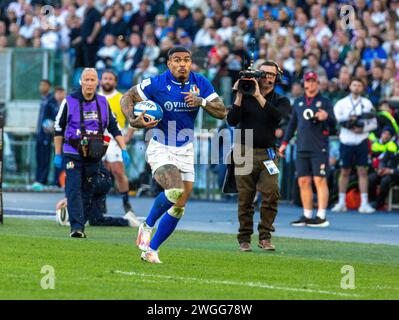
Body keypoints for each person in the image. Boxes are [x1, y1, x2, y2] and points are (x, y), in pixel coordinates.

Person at [120, 46, 226, 263]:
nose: (182, 64)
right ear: (169, 64)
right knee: (175, 190)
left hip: (186, 148)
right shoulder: (156, 83)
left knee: (179, 207)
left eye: (186, 60)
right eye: (177, 60)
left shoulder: (201, 82)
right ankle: (147, 224)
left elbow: (222, 111)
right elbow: (127, 97)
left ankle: (151, 250)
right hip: (160, 145)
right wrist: (132, 119)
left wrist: (202, 102)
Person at [53, 68, 133, 238]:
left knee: (91, 188)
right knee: (73, 188)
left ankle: (80, 215)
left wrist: (123, 149)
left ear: (97, 83)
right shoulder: (69, 101)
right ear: (81, 82)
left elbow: (114, 127)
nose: (89, 83)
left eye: (92, 80)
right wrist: (58, 153)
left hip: (94, 154)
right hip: (72, 152)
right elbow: (58, 128)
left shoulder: (103, 102)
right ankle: (77, 228)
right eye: (86, 80)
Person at [226, 61, 291, 252]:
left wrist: (257, 96)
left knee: (271, 193)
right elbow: (232, 120)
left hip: (267, 152)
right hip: (243, 150)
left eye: (271, 74)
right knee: (245, 198)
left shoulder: (281, 100)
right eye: (263, 73)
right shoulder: (245, 96)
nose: (267, 77)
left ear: (276, 77)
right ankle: (244, 238)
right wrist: (239, 95)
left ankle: (265, 236)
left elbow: (277, 117)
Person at [280, 72, 336, 227]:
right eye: (308, 81)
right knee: (303, 181)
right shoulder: (298, 102)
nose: (310, 84)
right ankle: (307, 214)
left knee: (319, 179)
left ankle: (321, 216)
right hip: (302, 146)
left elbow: (334, 124)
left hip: (319, 147)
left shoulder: (325, 102)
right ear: (304, 84)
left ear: (318, 84)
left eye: (313, 81)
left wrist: (326, 117)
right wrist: (284, 143)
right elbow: (292, 124)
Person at [99, 69, 139, 225]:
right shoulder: (95, 97)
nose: (107, 81)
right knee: (100, 173)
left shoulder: (121, 98)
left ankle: (126, 203)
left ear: (115, 82)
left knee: (117, 171)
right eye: (105, 78)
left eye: (110, 79)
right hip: (97, 138)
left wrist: (128, 135)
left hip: (115, 138)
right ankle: (101, 203)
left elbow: (132, 118)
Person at [331, 77, 378, 214]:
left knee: (362, 171)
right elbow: (337, 119)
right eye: (354, 85)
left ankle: (364, 203)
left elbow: (374, 122)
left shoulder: (367, 103)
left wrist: (362, 128)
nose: (356, 87)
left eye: (359, 85)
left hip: (361, 140)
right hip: (346, 140)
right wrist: (348, 122)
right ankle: (341, 202)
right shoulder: (341, 103)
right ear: (350, 86)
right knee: (344, 171)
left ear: (362, 88)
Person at [32, 79, 59, 191]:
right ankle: (37, 179)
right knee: (38, 157)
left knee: (44, 157)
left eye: (44, 85)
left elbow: (54, 117)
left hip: (46, 135)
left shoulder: (51, 100)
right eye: (40, 85)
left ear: (49, 87)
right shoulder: (43, 99)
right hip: (39, 134)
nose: (41, 87)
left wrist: (50, 127)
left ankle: (42, 180)